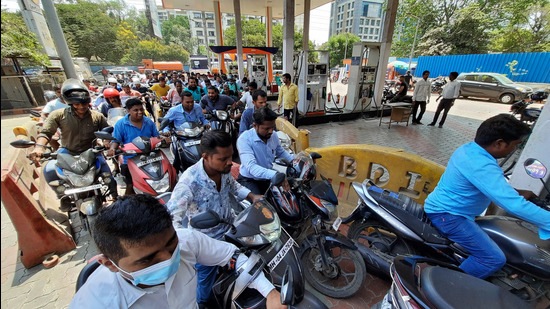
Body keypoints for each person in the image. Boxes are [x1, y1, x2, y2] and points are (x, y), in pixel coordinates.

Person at [70, 194, 285, 309]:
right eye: (149, 260)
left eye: (171, 245)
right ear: (109, 264)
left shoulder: (186, 240)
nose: (169, 258)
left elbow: (232, 256)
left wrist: (270, 293)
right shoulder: (95, 303)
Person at [424, 114, 550, 279]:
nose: (514, 150)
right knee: (492, 258)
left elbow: (491, 185)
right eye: (515, 145)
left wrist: (517, 192)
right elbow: (514, 205)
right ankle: (444, 287)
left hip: (451, 210)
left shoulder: (469, 149)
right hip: (449, 216)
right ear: (499, 143)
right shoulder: (480, 164)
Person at [166, 130, 263, 306]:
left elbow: (234, 186)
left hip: (232, 229)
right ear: (206, 157)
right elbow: (172, 218)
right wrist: (181, 244)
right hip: (206, 242)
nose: (229, 162)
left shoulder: (224, 170)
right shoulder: (188, 182)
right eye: (223, 159)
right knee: (203, 294)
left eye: (231, 156)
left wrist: (252, 196)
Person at [29, 79, 117, 210]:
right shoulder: (57, 115)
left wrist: (106, 142)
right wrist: (39, 147)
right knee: (48, 170)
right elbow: (46, 133)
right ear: (69, 103)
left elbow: (108, 132)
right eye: (77, 104)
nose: (81, 107)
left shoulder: (97, 116)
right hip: (67, 152)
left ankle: (115, 199)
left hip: (91, 152)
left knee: (108, 176)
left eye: (84, 104)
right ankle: (62, 196)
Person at [107, 98, 162, 195]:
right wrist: (112, 148)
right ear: (128, 111)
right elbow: (116, 140)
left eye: (141, 109)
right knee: (130, 185)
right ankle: (126, 204)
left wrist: (163, 139)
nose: (140, 112)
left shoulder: (148, 122)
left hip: (151, 156)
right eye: (136, 110)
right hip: (130, 159)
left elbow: (156, 136)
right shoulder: (121, 124)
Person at [237, 107, 294, 195]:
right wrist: (274, 174)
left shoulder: (273, 135)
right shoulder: (245, 139)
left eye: (272, 127)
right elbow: (252, 167)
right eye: (267, 129)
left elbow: (281, 152)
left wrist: (296, 161)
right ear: (255, 125)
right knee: (261, 205)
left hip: (267, 178)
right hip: (249, 180)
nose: (271, 131)